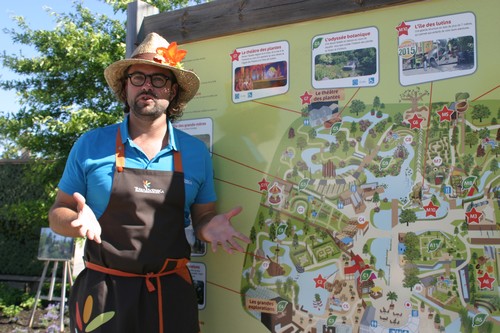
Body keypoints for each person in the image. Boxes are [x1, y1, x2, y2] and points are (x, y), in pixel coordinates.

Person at [48, 32, 250, 333]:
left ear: (173, 92)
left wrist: (209, 228)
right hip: (104, 295)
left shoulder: (195, 152)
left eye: (159, 80)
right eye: (138, 77)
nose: (147, 86)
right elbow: (57, 213)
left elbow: (202, 217)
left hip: (171, 296)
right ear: (124, 86)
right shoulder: (90, 145)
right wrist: (76, 220)